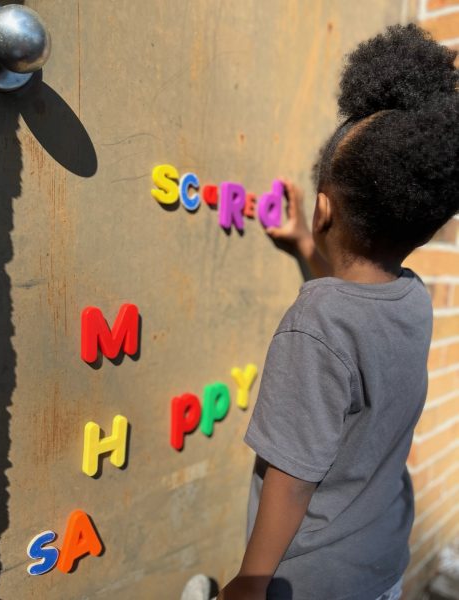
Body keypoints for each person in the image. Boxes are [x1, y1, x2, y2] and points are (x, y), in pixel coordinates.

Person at [181, 22, 459, 600]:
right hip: (378, 564)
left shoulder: (316, 324)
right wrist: (306, 249)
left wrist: (251, 582)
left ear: (322, 208)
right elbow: (353, 307)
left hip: (308, 580)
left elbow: (292, 479)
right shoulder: (409, 297)